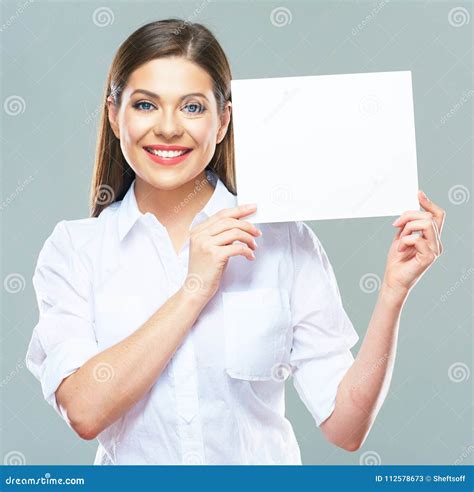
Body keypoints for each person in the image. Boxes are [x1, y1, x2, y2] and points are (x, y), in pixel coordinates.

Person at [25, 19, 446, 465]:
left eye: (192, 107)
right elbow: (85, 410)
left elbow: (346, 427)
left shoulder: (282, 240)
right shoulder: (75, 249)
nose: (168, 128)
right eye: (146, 105)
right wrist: (195, 288)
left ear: (223, 120)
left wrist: (393, 293)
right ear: (114, 114)